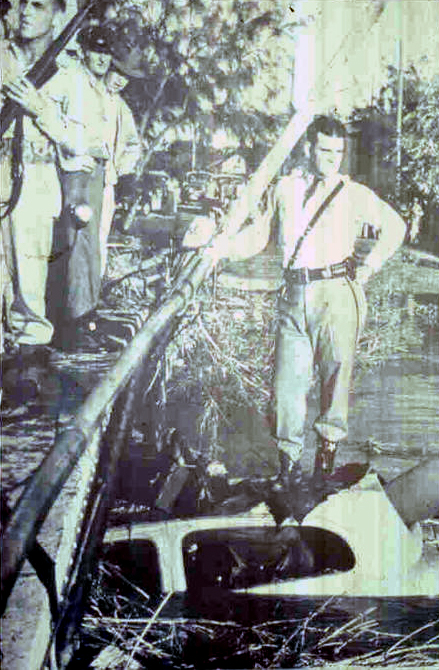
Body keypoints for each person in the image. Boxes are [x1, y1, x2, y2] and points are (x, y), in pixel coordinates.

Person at [187, 115, 406, 486]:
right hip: (293, 293)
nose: (332, 159)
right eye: (324, 150)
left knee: (336, 378)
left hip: (337, 292)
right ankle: (288, 465)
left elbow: (395, 226)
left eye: (338, 152)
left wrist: (368, 269)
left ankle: (325, 460)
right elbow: (258, 237)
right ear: (308, 147)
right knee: (287, 385)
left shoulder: (353, 194)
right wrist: (219, 251)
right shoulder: (286, 188)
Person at [0, 0, 97, 366]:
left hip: (36, 189)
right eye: (23, 3)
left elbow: (80, 141)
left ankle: (26, 374)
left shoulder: (70, 74)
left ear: (58, 16)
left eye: (38, 5)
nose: (25, 12)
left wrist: (39, 108)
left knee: (28, 285)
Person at [100, 48, 142, 276]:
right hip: (75, 177)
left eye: (126, 77)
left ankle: (91, 300)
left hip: (105, 183)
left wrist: (117, 169)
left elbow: (134, 146)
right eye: (117, 73)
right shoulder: (87, 94)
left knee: (98, 240)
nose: (120, 81)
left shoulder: (122, 109)